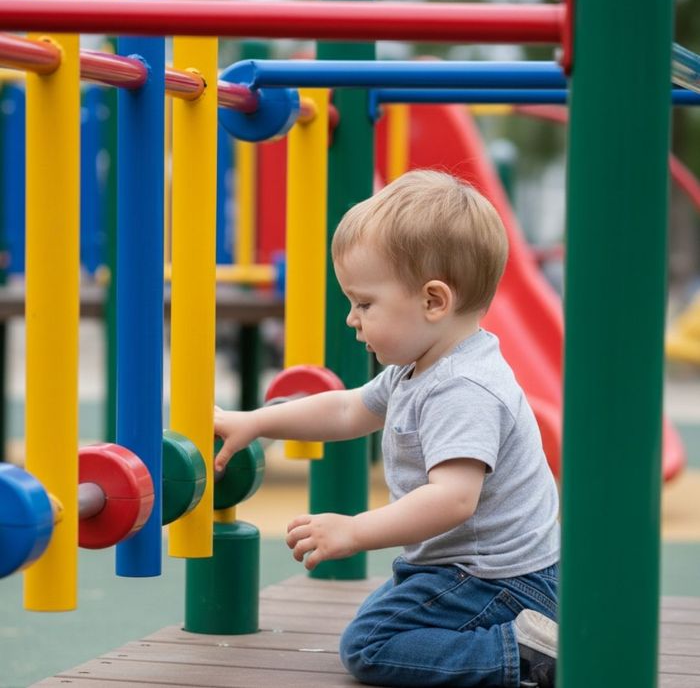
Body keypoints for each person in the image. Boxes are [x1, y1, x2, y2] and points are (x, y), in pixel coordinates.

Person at [214, 170, 560, 688]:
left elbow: (452, 500)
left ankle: (525, 655)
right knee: (383, 616)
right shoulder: (419, 367)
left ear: (433, 301)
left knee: (370, 646)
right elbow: (348, 411)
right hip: (471, 570)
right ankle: (523, 641)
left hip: (501, 581)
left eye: (365, 304)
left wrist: (355, 530)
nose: (353, 319)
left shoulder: (463, 388)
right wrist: (257, 422)